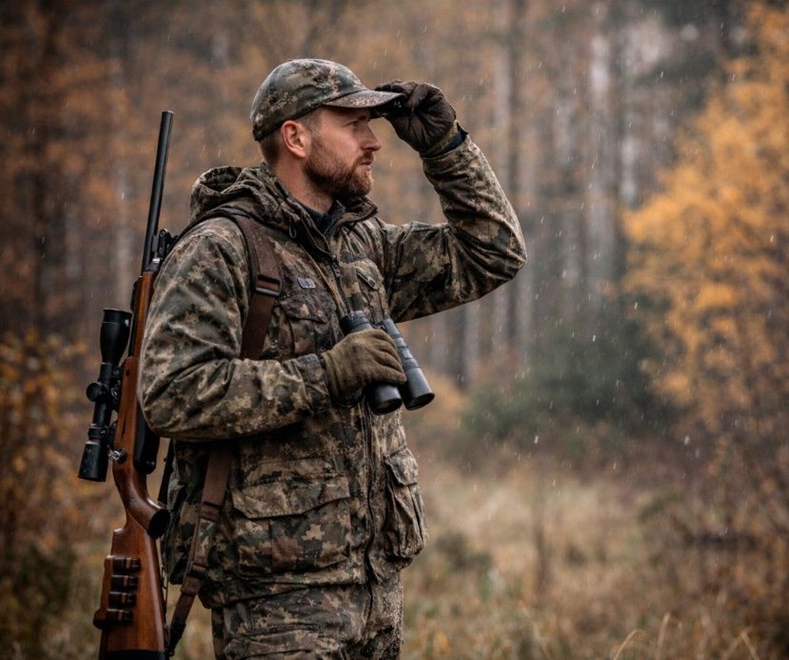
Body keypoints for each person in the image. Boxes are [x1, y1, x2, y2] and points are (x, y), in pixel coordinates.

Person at [138, 58, 526, 658]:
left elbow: (492, 253)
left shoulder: (359, 244)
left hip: (374, 590)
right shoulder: (220, 249)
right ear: (295, 137)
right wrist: (328, 374)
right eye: (353, 125)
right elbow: (172, 393)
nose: (374, 142)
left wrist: (447, 148)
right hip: (276, 601)